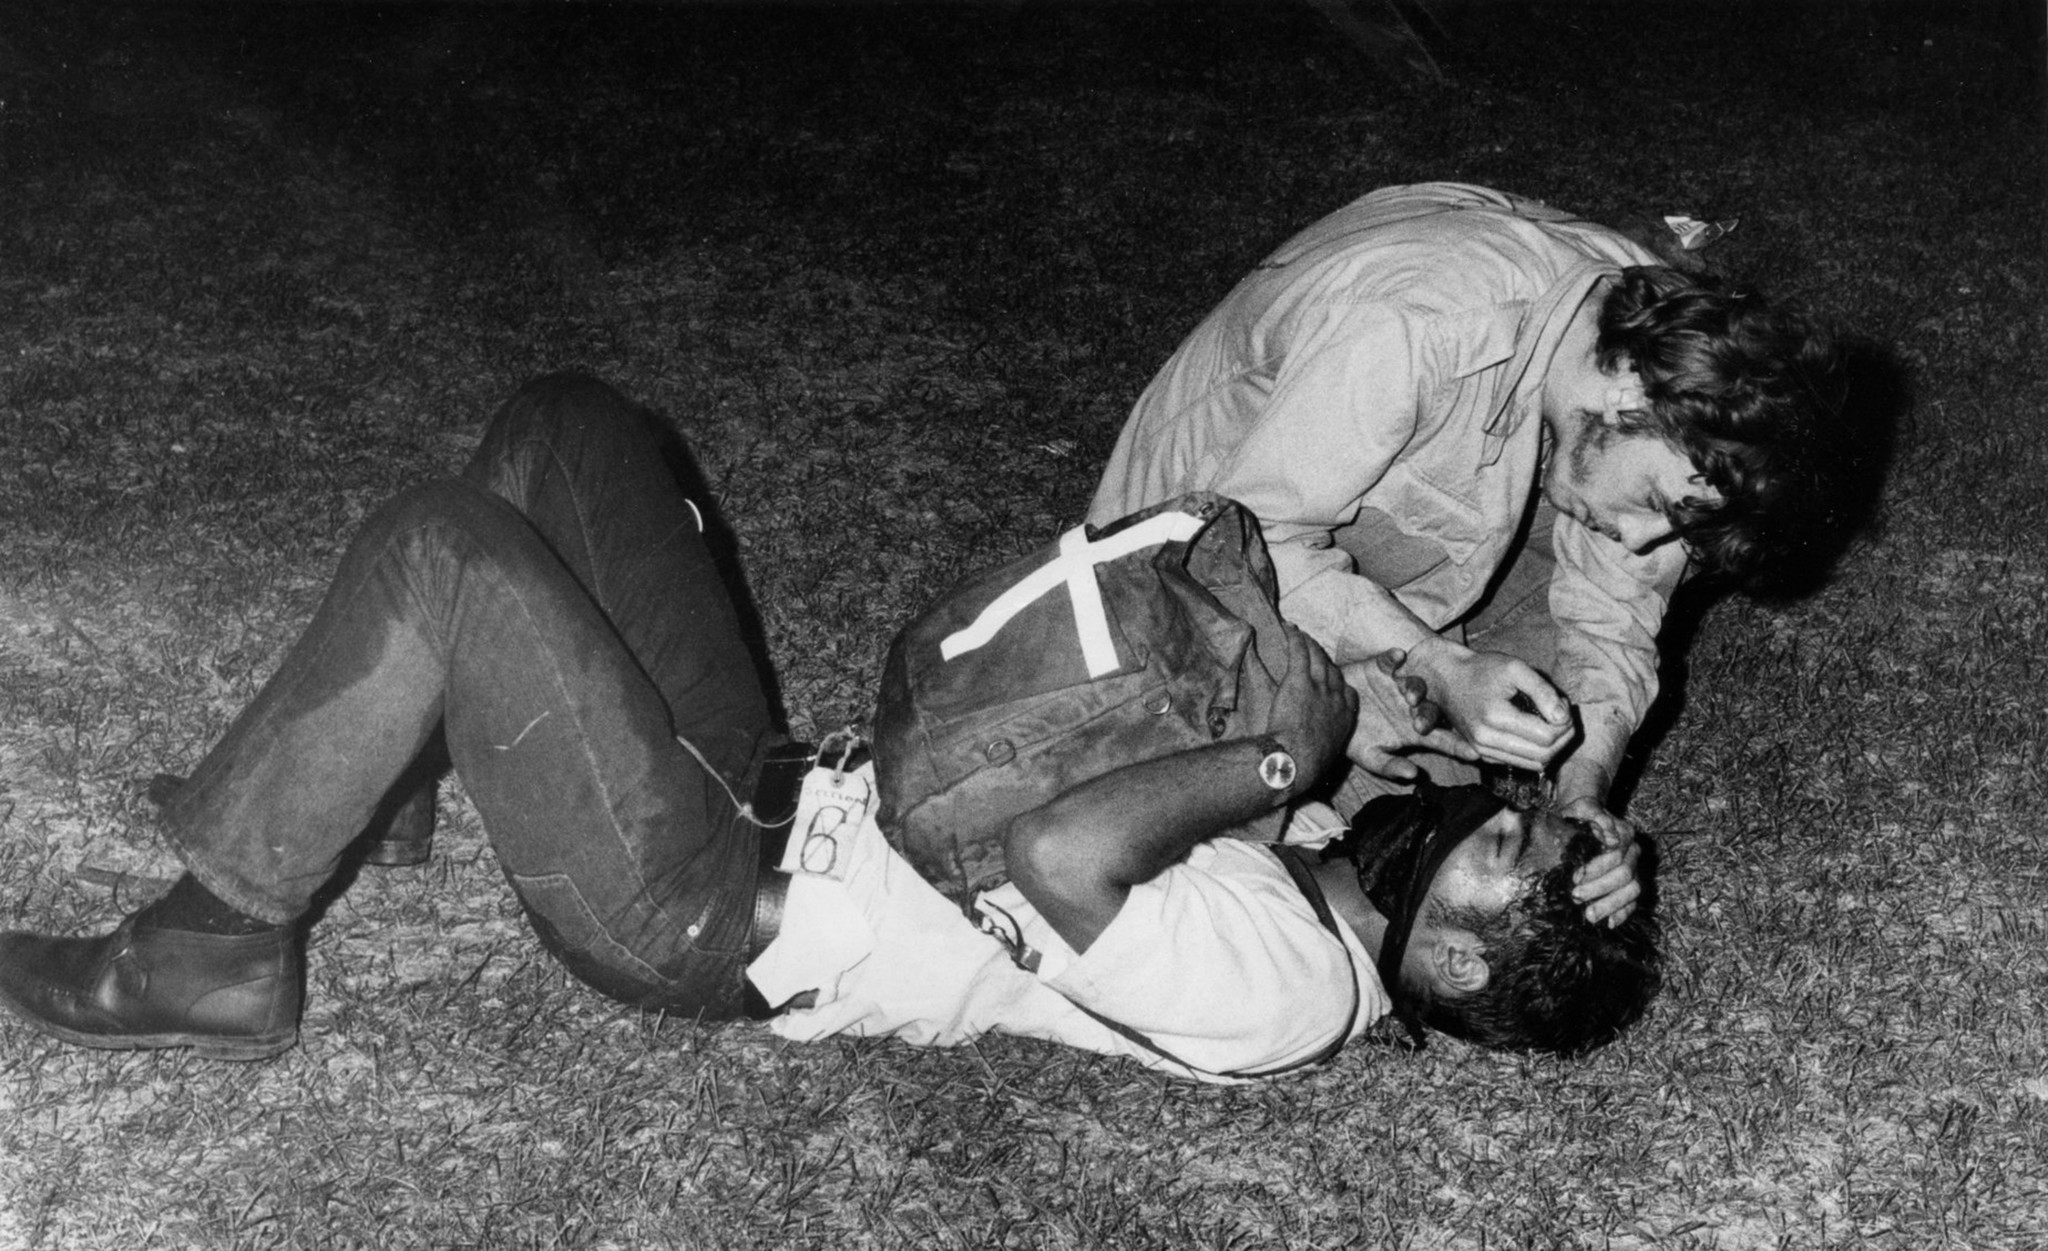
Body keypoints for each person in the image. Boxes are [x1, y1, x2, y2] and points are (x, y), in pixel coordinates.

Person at [0, 374, 1657, 1080]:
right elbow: (1388, 763)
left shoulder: (1289, 991)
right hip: (781, 788)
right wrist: (1587, 826)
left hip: (714, 907)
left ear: (1441, 968)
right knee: (570, 433)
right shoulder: (1319, 869)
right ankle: (385, 769)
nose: (1479, 822)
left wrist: (1281, 752)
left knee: (450, 551)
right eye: (1501, 821)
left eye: (1491, 857)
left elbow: (1058, 851)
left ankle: (213, 946)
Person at [1090, 182, 1852, 841]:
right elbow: (1238, 543)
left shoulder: (1642, 343)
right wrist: (1432, 661)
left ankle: (1380, 680)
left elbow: (1618, 610)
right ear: (1628, 390)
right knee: (1337, 839)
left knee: (1501, 728)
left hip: (1362, 488)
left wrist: (1583, 789)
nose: (1644, 536)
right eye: (1657, 504)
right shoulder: (1418, 328)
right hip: (1178, 556)